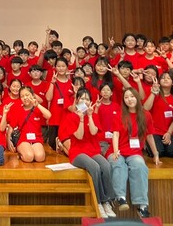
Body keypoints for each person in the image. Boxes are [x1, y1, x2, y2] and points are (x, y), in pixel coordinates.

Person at [107, 87, 160, 219]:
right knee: (118, 164)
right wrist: (115, 151)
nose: (129, 99)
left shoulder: (146, 115)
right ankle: (120, 198)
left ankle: (142, 205)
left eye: (132, 96)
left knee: (140, 167)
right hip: (117, 149)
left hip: (134, 152)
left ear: (137, 97)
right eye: (126, 97)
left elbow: (149, 136)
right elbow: (115, 134)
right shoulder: (119, 114)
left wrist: (156, 154)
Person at [65, 88, 116, 219]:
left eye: (87, 99)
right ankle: (99, 202)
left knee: (106, 165)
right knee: (95, 167)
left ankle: (107, 201)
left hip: (93, 150)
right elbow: (79, 136)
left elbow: (93, 132)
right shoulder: (70, 117)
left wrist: (90, 116)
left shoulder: (93, 115)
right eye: (82, 98)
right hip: (77, 152)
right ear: (77, 100)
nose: (85, 101)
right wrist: (81, 119)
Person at [142, 72, 173, 158]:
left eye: (168, 78)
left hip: (168, 132)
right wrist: (153, 92)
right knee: (159, 152)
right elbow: (146, 108)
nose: (165, 79)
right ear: (159, 82)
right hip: (154, 131)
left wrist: (169, 133)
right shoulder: (153, 94)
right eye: (163, 78)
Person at [8, 86, 51, 163]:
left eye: (27, 95)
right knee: (29, 157)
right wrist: (8, 140)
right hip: (23, 139)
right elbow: (11, 127)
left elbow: (48, 116)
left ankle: (29, 150)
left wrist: (37, 105)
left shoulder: (37, 108)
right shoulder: (18, 110)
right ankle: (21, 153)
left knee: (40, 157)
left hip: (36, 138)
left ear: (32, 95)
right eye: (22, 96)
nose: (25, 98)